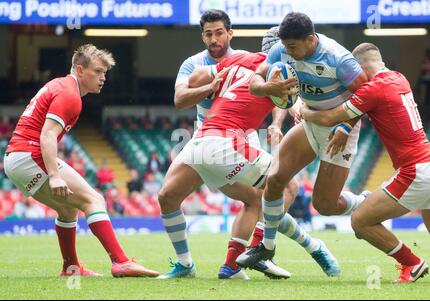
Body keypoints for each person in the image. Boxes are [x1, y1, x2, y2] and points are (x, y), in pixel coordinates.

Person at [158, 49, 340, 280]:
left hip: (201, 139)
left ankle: (231, 266)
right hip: (226, 141)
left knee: (256, 200)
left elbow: (195, 78)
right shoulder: (276, 67)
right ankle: (304, 246)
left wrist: (213, 83)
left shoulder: (237, 59)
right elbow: (286, 97)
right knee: (285, 188)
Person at [3, 44, 159, 278]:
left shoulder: (60, 85)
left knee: (68, 210)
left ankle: (70, 268)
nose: (103, 78)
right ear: (79, 69)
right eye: (97, 71)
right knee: (93, 199)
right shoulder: (70, 94)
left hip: (17, 158)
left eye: (105, 73)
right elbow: (47, 135)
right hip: (29, 156)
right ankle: (121, 262)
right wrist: (54, 176)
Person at [299, 42, 430, 283]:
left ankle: (412, 263)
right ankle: (412, 262)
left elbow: (329, 116)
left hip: (416, 172)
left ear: (359, 67)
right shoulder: (398, 78)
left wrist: (303, 109)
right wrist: (346, 128)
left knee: (360, 220)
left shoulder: (373, 89)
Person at [163, 9, 291, 280]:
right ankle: (187, 264)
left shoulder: (246, 59)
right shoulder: (196, 63)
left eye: (219, 32)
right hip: (205, 136)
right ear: (203, 37)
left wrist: (277, 123)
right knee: (167, 196)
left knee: (256, 198)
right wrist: (209, 88)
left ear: (230, 33)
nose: (214, 39)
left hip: (242, 137)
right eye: (208, 34)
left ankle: (235, 263)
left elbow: (281, 96)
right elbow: (179, 99)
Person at [237, 12, 368, 268]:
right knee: (274, 180)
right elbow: (254, 82)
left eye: (292, 47)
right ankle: (266, 247)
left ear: (310, 40)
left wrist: (345, 125)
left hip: (338, 130)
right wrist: (267, 88)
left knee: (325, 204)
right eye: (285, 46)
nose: (287, 51)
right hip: (309, 123)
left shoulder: (338, 59)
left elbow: (366, 95)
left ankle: (367, 202)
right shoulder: (281, 49)